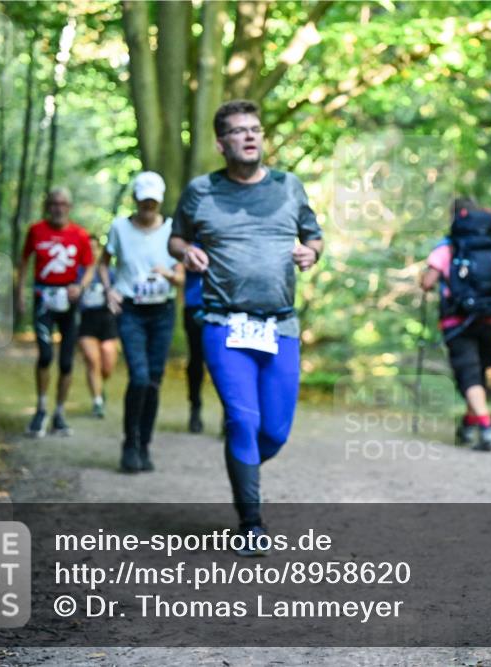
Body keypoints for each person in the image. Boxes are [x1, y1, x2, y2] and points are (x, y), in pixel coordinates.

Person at [169, 99, 323, 556]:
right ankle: (250, 521)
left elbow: (313, 235)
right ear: (221, 144)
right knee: (242, 419)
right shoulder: (201, 191)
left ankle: (244, 463)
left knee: (273, 431)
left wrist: (311, 252)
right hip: (223, 322)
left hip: (281, 325)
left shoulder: (288, 186)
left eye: (255, 129)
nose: (250, 136)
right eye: (239, 131)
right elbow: (176, 235)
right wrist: (184, 252)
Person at [101, 171, 183, 473]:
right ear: (135, 199)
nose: (148, 206)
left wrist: (170, 274)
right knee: (138, 377)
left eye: (153, 202)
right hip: (131, 310)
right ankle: (129, 442)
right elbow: (102, 263)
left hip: (162, 311)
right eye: (144, 201)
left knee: (154, 381)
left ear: (159, 202)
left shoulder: (173, 230)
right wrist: (109, 291)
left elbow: (182, 277)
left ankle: (144, 445)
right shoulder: (120, 228)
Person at [420, 198, 491, 451]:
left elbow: (428, 282)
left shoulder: (447, 247)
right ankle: (468, 426)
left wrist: (423, 278)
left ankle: (486, 428)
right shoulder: (490, 244)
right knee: (478, 373)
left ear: (454, 217)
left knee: (469, 376)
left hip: (457, 321)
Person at [16, 187, 93, 438]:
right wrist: (19, 293)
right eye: (54, 203)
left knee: (67, 361)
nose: (58, 208)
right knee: (46, 355)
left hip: (69, 302)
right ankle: (41, 409)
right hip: (43, 300)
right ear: (48, 206)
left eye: (63, 204)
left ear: (69, 207)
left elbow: (90, 265)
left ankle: (59, 413)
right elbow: (24, 261)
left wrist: (80, 286)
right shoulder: (36, 230)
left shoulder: (79, 235)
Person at [77, 237, 119, 419]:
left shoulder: (110, 272)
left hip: (108, 321)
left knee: (107, 365)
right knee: (92, 361)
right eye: (89, 248)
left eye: (95, 248)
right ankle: (97, 401)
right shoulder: (78, 273)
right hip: (87, 321)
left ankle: (100, 387)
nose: (92, 251)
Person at [183, 267, 206, 433]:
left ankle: (229, 415)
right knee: (196, 361)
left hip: (226, 306)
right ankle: (195, 407)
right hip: (195, 306)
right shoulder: (192, 242)